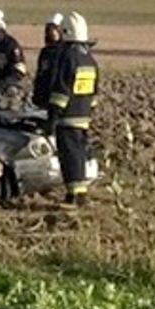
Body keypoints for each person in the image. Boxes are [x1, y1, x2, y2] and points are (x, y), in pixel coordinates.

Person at [46, 12, 98, 208]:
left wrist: (53, 116)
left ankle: (74, 197)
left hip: (67, 118)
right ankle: (80, 194)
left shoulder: (67, 56)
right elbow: (94, 93)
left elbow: (61, 89)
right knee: (79, 155)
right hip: (83, 117)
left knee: (69, 158)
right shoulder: (89, 59)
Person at [31, 13, 64, 108]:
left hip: (58, 99)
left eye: (55, 29)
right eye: (50, 29)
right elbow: (40, 74)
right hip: (44, 97)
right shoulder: (45, 52)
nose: (53, 32)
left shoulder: (66, 52)